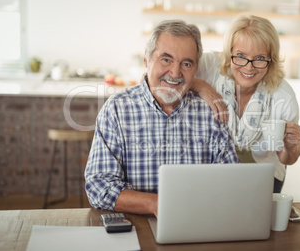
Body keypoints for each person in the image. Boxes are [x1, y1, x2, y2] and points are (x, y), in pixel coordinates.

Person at [85, 20, 238, 216]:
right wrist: (154, 204)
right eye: (166, 59)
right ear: (146, 60)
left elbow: (232, 181)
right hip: (134, 228)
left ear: (195, 68)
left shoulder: (210, 113)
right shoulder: (116, 109)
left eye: (186, 63)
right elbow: (99, 186)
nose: (175, 72)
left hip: (196, 224)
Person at [192, 14, 300, 193]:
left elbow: (287, 159)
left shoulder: (283, 96)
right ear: (229, 52)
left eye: (259, 58)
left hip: (263, 176)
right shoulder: (210, 65)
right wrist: (201, 86)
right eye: (241, 56)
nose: (249, 67)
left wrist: (291, 146)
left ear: (271, 59)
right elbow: (163, 79)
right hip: (213, 171)